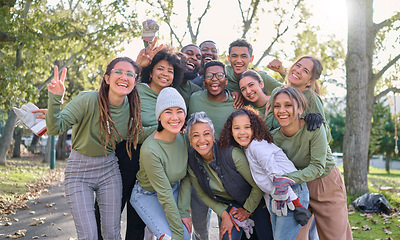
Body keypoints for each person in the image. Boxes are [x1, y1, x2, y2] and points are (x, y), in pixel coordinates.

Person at [46, 57, 142, 239]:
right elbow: (55, 127)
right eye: (118, 72)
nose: (124, 77)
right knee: (89, 235)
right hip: (79, 172)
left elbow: (143, 132)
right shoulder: (88, 99)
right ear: (107, 78)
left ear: (135, 82)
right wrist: (55, 98)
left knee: (112, 234)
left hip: (109, 170)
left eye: (130, 74)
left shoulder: (132, 109)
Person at [270, 87, 352, 240]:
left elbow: (317, 166)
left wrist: (288, 178)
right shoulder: (274, 138)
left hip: (325, 184)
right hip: (296, 188)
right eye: (277, 106)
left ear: (300, 109)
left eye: (288, 105)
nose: (282, 110)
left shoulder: (314, 129)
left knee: (334, 236)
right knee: (295, 237)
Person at [219, 107, 311, 239]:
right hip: (278, 195)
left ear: (255, 128)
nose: (242, 132)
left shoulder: (257, 146)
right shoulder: (247, 148)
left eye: (247, 127)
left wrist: (297, 205)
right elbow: (266, 184)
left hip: (290, 191)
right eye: (237, 128)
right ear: (231, 131)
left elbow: (277, 175)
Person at [186, 112, 272, 240]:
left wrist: (247, 210)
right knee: (228, 236)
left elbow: (257, 184)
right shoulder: (191, 159)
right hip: (230, 207)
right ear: (190, 140)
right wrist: (224, 215)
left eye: (206, 134)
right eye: (195, 136)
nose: (202, 140)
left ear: (213, 135)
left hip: (255, 204)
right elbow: (202, 194)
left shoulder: (231, 153)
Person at [130, 87, 192, 240]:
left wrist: (184, 212)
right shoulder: (150, 150)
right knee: (173, 237)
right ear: (159, 116)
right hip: (147, 195)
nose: (175, 117)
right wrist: (177, 234)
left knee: (186, 236)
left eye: (179, 111)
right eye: (168, 112)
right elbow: (164, 195)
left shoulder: (184, 138)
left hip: (173, 188)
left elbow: (187, 176)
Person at [265, 56, 327, 133]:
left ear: (310, 82)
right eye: (298, 66)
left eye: (305, 71)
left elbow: (326, 135)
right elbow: (267, 128)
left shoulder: (312, 98)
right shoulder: (277, 92)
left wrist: (317, 123)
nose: (298, 71)